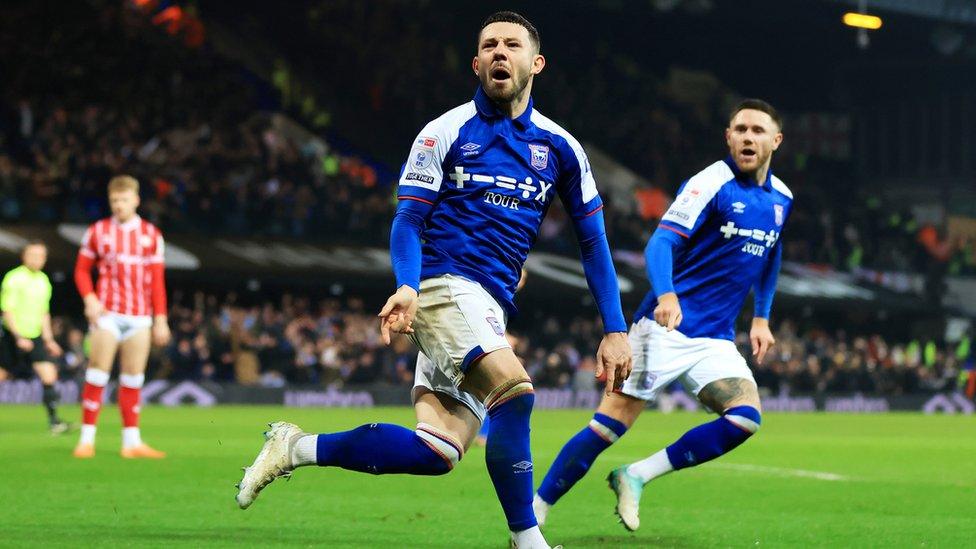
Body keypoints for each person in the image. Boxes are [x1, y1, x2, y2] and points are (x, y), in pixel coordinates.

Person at [235, 11, 632, 549]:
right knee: (514, 395)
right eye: (489, 45)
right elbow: (408, 220)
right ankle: (527, 540)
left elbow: (593, 242)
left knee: (438, 451)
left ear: (535, 63)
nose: (499, 52)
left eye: (511, 45)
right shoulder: (444, 131)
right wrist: (406, 284)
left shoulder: (561, 148)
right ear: (475, 63)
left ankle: (296, 448)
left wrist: (615, 328)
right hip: (444, 286)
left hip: (490, 302)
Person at [533, 99, 793, 532]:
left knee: (745, 418)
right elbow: (660, 244)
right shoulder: (711, 183)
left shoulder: (782, 198)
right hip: (664, 329)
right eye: (740, 129)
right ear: (728, 137)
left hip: (715, 339)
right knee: (607, 428)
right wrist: (667, 295)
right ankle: (532, 515)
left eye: (758, 130)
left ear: (776, 140)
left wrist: (761, 317)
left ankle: (636, 474)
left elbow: (771, 255)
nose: (748, 137)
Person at [72, 175, 171, 458]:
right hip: (108, 313)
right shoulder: (98, 231)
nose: (119, 205)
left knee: (132, 379)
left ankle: (131, 443)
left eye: (124, 200)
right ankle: (86, 439)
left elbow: (157, 281)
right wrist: (90, 299)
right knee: (97, 373)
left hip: (140, 316)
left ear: (136, 200)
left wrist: (161, 319)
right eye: (114, 200)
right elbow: (81, 270)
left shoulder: (151, 235)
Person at [0, 241, 69, 433]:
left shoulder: (43, 281)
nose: (37, 259)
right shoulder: (14, 278)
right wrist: (18, 337)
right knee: (2, 375)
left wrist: (49, 340)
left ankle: (54, 422)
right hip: (14, 337)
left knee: (49, 374)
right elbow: (7, 311)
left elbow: (44, 313)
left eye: (41, 256)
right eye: (33, 255)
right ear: (24, 256)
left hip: (36, 336)